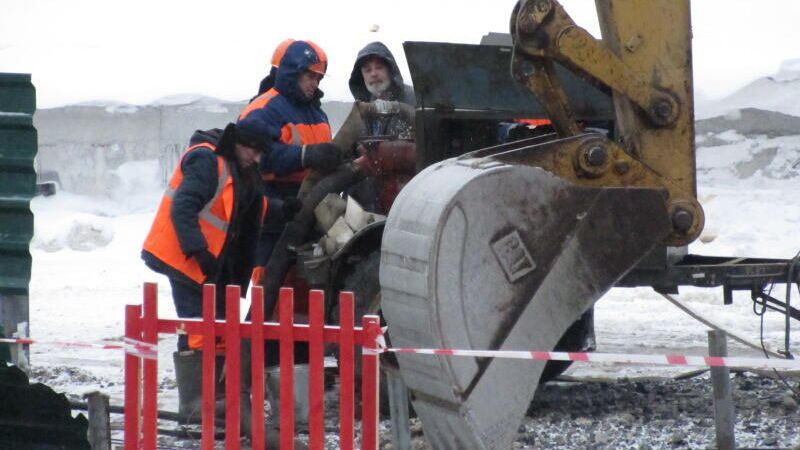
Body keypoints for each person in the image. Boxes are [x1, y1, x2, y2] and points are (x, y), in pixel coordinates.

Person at [140, 121, 267, 423]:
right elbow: (182, 208)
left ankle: (215, 402)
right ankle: (195, 406)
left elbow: (241, 208)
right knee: (198, 330)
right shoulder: (206, 160)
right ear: (238, 143)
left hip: (214, 266)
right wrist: (199, 252)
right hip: (186, 260)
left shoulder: (240, 168)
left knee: (218, 329)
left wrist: (279, 208)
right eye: (253, 150)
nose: (257, 158)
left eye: (261, 153)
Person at [238, 40, 342, 275]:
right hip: (272, 220)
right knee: (267, 289)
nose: (314, 83)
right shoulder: (263, 108)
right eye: (309, 76)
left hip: (308, 219)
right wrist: (305, 155)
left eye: (318, 78)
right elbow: (253, 158)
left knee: (302, 292)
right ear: (293, 71)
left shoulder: (317, 113)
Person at [348, 41, 415, 140]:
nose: (373, 74)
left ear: (390, 70)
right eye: (368, 70)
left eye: (379, 67)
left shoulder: (414, 99)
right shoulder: (360, 112)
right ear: (362, 76)